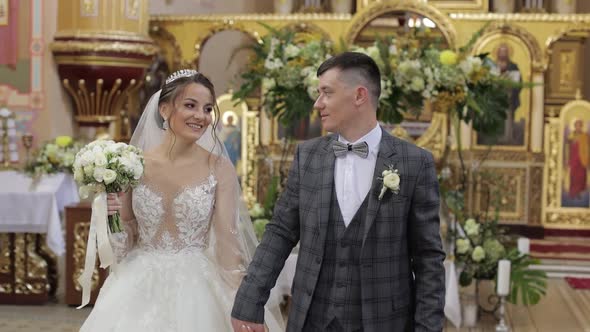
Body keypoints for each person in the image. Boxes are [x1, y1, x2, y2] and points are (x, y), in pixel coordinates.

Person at [231, 52, 446, 332]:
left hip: (385, 321)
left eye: (326, 93)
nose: (317, 103)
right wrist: (249, 301)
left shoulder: (415, 163)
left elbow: (429, 258)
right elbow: (281, 232)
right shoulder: (307, 156)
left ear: (359, 96)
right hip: (311, 318)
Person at [80, 70, 284, 332]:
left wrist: (238, 299)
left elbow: (227, 241)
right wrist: (113, 217)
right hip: (137, 284)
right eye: (190, 105)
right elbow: (124, 245)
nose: (201, 116)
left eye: (208, 108)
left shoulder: (219, 168)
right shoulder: (133, 165)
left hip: (199, 286)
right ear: (164, 109)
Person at [567, 119, 590, 199]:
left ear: (581, 126)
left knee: (581, 176)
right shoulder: (571, 135)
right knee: (573, 175)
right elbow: (568, 146)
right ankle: (573, 192)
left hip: (582, 158)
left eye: (580, 125)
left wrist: (587, 159)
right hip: (573, 158)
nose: (578, 127)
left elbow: (587, 147)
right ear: (574, 126)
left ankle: (579, 192)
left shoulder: (585, 135)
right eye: (577, 125)